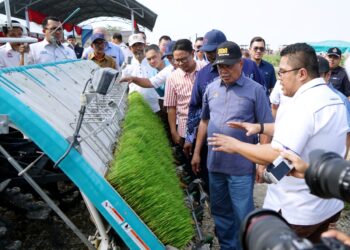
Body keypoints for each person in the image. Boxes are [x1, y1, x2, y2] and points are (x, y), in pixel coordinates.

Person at [208, 43, 348, 243]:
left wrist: (236, 146)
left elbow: (278, 154)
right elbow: (305, 134)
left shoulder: (303, 106)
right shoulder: (334, 100)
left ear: (301, 73)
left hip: (297, 209)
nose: (279, 78)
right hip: (328, 206)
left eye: (282, 72)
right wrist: (261, 128)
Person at [192, 41, 273, 250]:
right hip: (215, 165)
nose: (224, 70)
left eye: (228, 65)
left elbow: (265, 128)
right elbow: (204, 121)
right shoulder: (211, 89)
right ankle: (229, 246)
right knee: (220, 212)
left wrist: (261, 163)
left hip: (241, 167)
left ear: (241, 64)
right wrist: (197, 153)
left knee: (243, 214)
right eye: (220, 66)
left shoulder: (255, 90)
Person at [164, 39, 206, 147]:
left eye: (184, 59)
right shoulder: (172, 78)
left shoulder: (206, 69)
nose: (180, 64)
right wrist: (173, 131)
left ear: (192, 53)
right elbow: (171, 107)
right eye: (177, 60)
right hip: (185, 131)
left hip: (208, 128)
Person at [122, 33, 160, 113]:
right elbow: (123, 87)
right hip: (135, 107)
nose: (137, 48)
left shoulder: (153, 61)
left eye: (139, 44)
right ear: (130, 48)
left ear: (145, 45)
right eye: (134, 46)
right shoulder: (127, 64)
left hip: (154, 106)